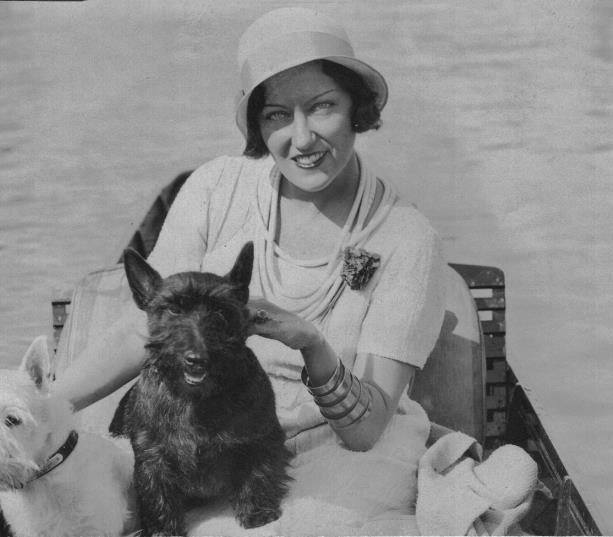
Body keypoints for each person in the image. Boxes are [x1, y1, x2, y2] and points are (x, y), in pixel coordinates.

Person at [53, 7, 446, 535]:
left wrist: (312, 343)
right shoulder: (216, 188)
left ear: (357, 106)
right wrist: (44, 407)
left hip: (337, 444)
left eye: (322, 106)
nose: (301, 139)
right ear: (260, 125)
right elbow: (137, 331)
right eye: (277, 115)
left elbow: (367, 428)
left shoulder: (406, 237)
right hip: (198, 425)